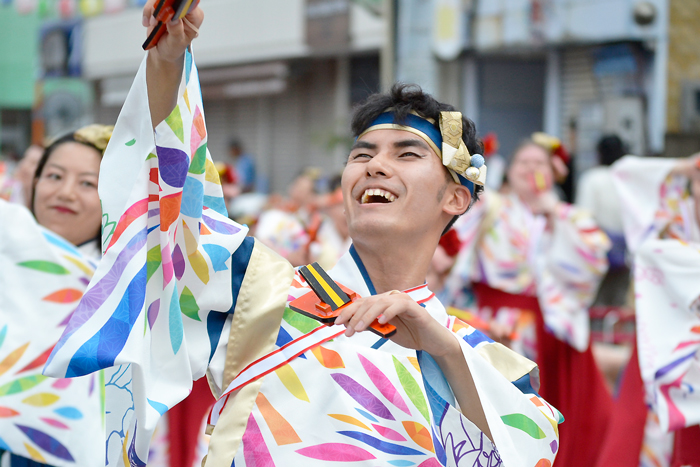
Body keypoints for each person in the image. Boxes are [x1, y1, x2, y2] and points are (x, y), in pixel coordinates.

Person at [45, 4, 561, 467]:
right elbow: (177, 204)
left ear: (457, 198)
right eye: (362, 154)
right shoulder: (261, 292)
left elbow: (527, 450)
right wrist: (168, 61)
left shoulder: (482, 361)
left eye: (406, 154)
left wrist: (441, 350)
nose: (375, 166)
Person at [445, 136, 613, 467]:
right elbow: (459, 232)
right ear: (509, 170)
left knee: (561, 404)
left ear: (555, 172)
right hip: (499, 321)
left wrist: (556, 216)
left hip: (552, 325)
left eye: (540, 164)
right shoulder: (493, 206)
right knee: (503, 401)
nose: (531, 169)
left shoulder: (570, 215)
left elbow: (595, 259)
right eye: (524, 162)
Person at [0, 125, 112, 467]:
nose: (65, 193)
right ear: (33, 183)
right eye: (54, 176)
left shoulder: (132, 281)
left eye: (87, 184)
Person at [593, 153, 700, 467]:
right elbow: (626, 171)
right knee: (651, 436)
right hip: (666, 349)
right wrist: (683, 166)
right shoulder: (672, 229)